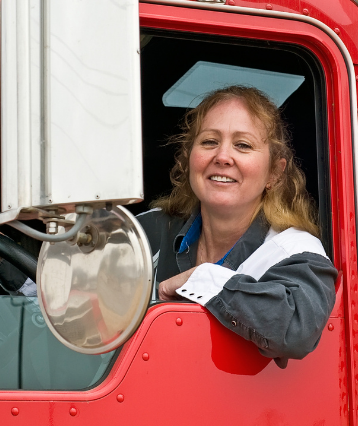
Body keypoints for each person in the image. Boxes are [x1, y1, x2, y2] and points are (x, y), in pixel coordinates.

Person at [137, 85, 337, 369]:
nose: (222, 156)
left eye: (243, 145)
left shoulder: (294, 250)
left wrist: (201, 280)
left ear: (274, 173)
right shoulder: (145, 232)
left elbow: (296, 328)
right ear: (189, 158)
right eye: (208, 142)